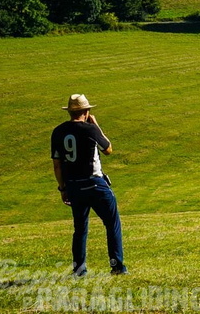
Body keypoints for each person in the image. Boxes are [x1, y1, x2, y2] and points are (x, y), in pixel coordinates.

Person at [51, 94, 127, 276]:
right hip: (94, 183)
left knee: (80, 228)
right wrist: (96, 126)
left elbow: (57, 164)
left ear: (69, 112)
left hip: (73, 185)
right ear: (86, 111)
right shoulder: (90, 129)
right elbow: (108, 149)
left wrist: (63, 188)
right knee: (112, 224)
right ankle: (117, 266)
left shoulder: (58, 132)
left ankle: (79, 269)